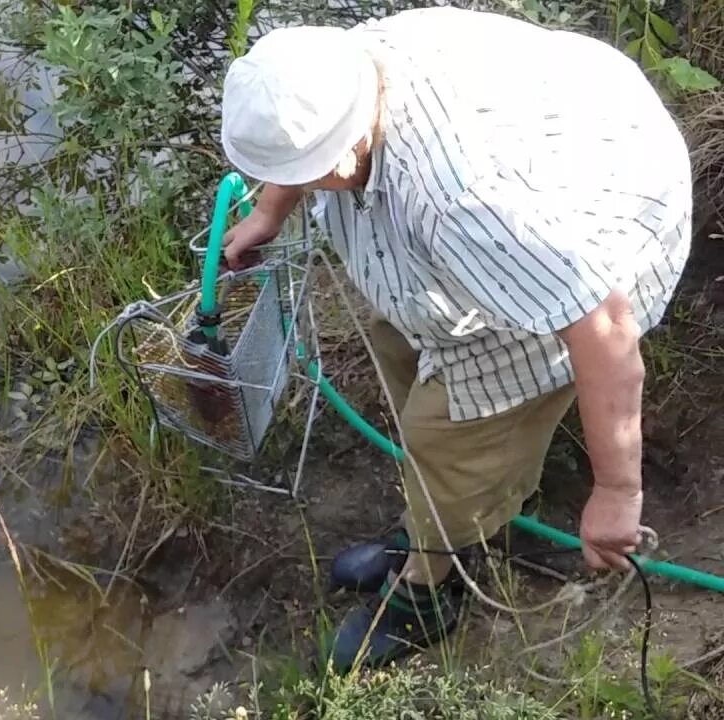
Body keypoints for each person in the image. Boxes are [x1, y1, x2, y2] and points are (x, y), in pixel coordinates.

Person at [218, 7, 691, 672]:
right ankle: (451, 510)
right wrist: (270, 210)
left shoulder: (466, 204)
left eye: (308, 170)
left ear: (348, 147)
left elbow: (604, 327)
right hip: (566, 145)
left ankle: (428, 591)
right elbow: (313, 142)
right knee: (397, 343)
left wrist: (618, 493)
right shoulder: (338, 67)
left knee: (447, 433)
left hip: (608, 222)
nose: (304, 181)